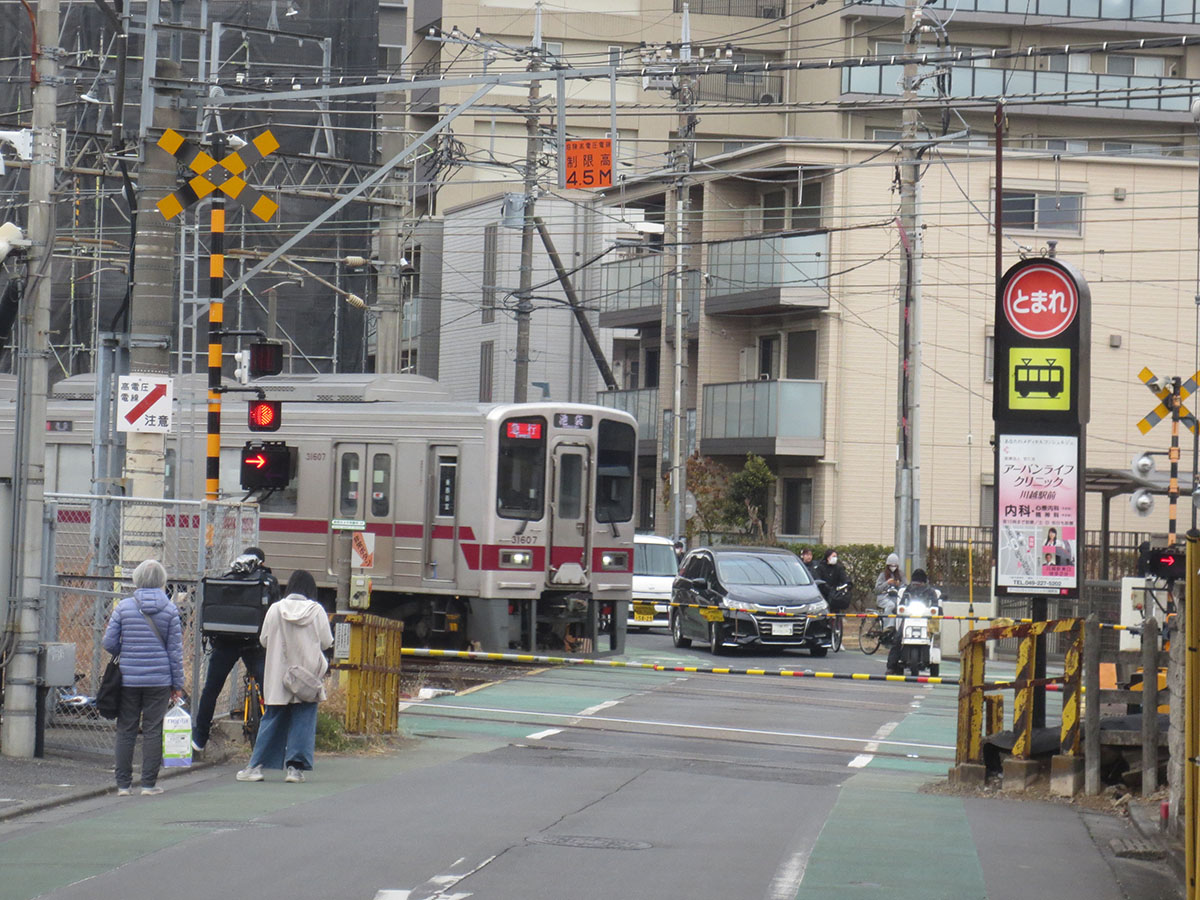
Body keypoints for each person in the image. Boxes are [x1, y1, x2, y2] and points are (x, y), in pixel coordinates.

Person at [237, 569, 333, 784]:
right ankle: (294, 769)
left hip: (279, 674)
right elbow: (326, 642)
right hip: (307, 676)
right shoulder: (316, 611)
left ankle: (255, 766)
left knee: (272, 718)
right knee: (303, 718)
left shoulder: (275, 609)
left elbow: (263, 640)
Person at [102, 559, 184, 796]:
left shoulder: (124, 607)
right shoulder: (170, 610)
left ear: (136, 579)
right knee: (153, 730)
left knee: (126, 729)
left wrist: (125, 653)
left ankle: (123, 785)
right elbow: (175, 652)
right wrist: (177, 684)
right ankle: (148, 784)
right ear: (162, 581)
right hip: (159, 680)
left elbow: (108, 642)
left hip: (127, 678)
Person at [191, 547, 279, 753]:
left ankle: (199, 740)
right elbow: (275, 609)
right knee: (269, 690)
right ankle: (274, 740)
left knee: (211, 690)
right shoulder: (267, 580)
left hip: (225, 641)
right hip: (255, 642)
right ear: (262, 562)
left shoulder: (228, 577)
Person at [887, 568, 938, 674]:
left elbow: (935, 604)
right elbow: (902, 603)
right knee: (897, 638)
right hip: (908, 619)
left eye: (919, 582)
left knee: (934, 637)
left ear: (924, 582)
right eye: (915, 582)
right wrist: (899, 608)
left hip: (926, 620)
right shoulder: (908, 590)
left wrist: (934, 609)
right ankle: (891, 666)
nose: (917, 584)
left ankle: (931, 659)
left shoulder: (930, 591)